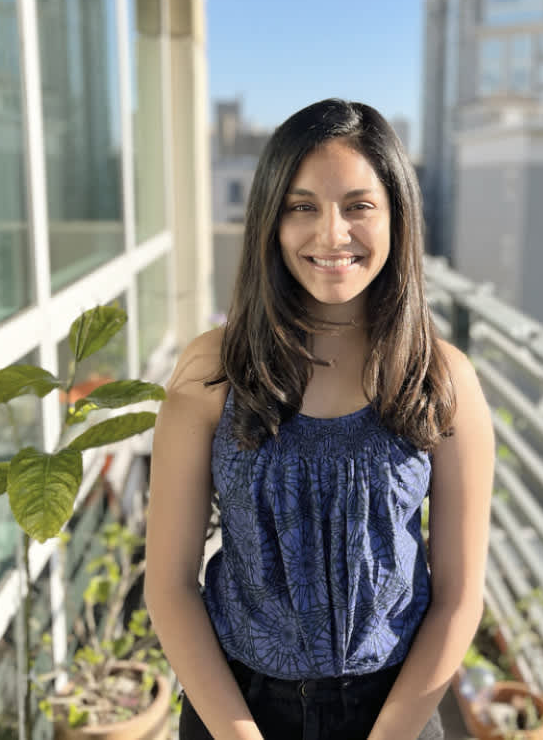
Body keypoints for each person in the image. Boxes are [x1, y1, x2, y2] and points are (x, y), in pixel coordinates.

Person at [145, 98, 494, 740]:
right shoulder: (211, 372)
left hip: (397, 710)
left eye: (359, 206)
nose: (331, 234)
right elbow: (169, 588)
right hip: (236, 707)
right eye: (302, 206)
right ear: (270, 222)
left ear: (397, 218)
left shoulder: (443, 382)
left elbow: (457, 598)